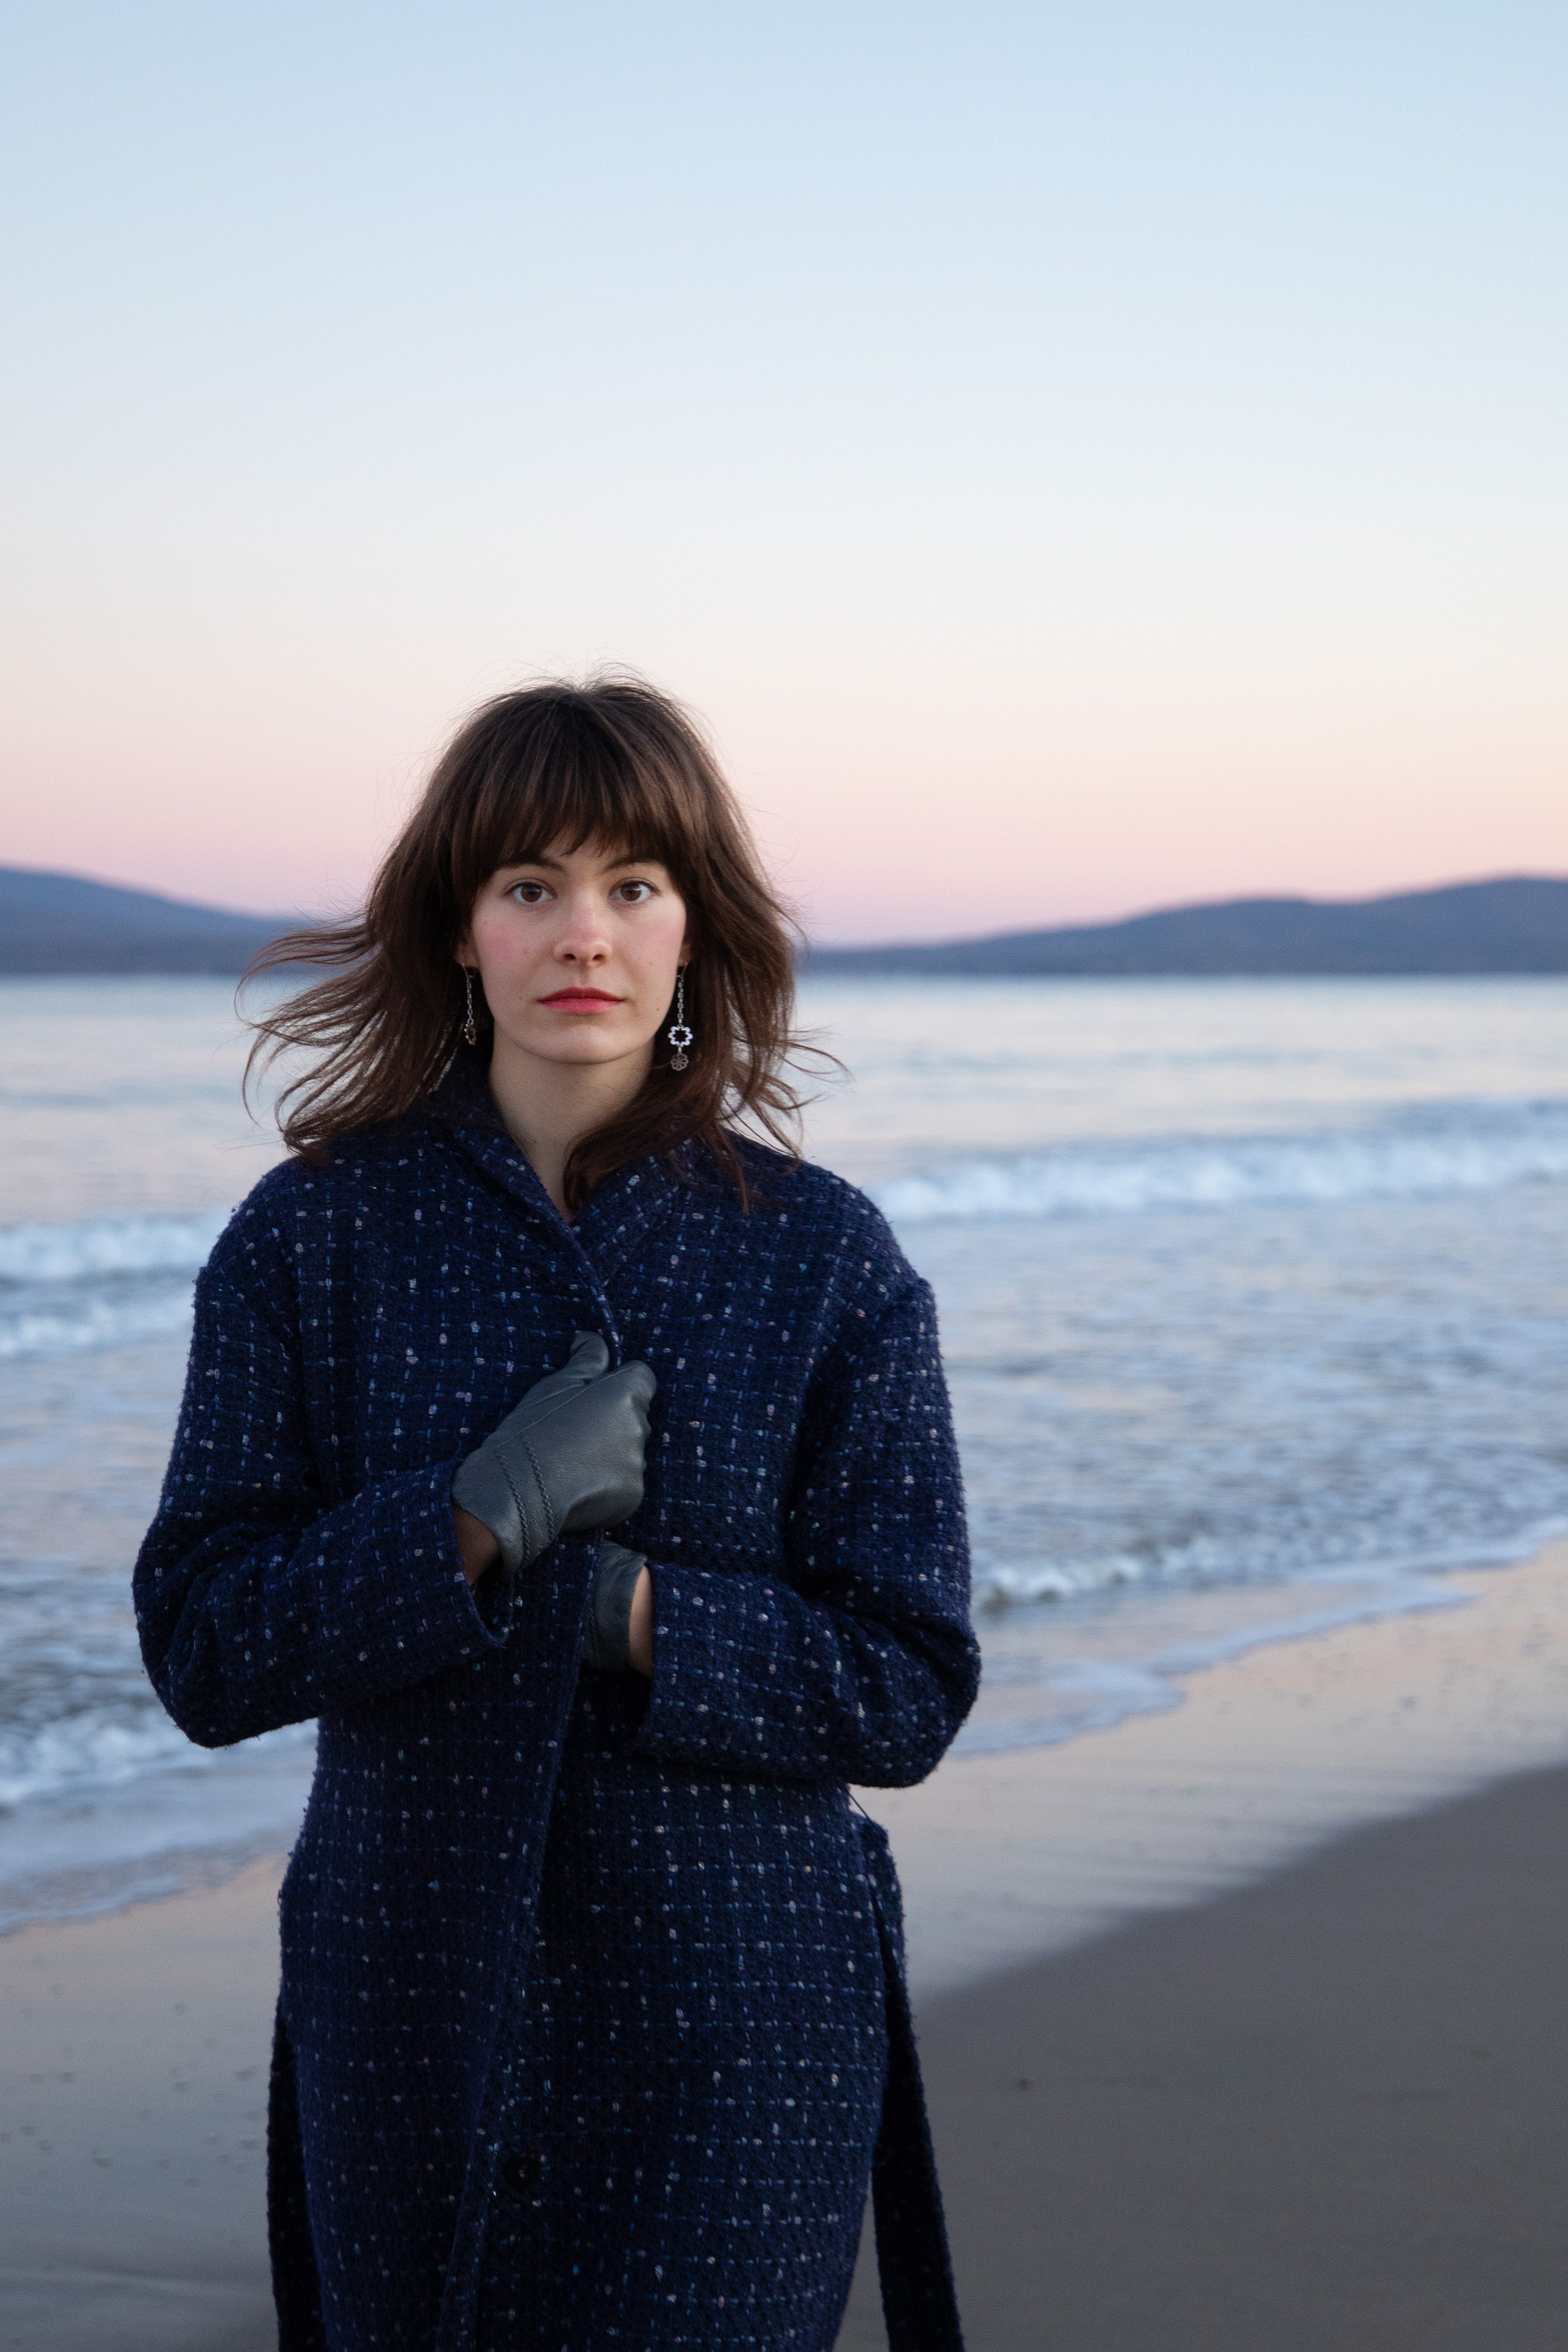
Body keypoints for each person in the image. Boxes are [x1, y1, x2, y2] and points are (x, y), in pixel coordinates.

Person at [134, 679, 979, 2352]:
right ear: (460, 927)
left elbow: (907, 1684)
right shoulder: (313, 1238)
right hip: (408, 2000)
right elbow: (204, 1647)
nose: (581, 932)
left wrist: (633, 1615)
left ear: (692, 932)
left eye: (633, 886)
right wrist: (467, 1524)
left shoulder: (823, 1257)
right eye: (529, 885)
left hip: (736, 2016)